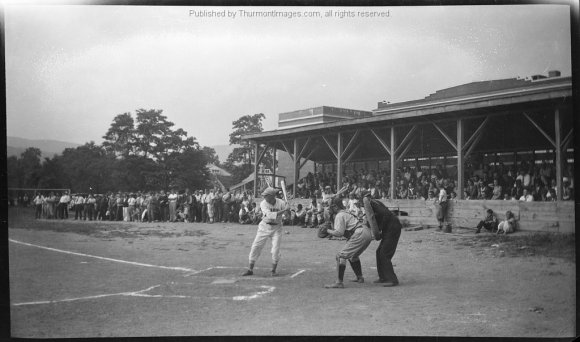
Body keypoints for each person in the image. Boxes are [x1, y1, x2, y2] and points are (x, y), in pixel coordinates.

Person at [323, 197, 372, 289]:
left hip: (359, 233)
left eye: (332, 207)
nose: (330, 209)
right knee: (353, 256)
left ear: (336, 207)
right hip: (365, 232)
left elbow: (339, 233)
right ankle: (360, 277)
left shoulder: (339, 215)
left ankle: (339, 282)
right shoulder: (345, 212)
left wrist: (327, 231)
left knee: (340, 256)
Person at [242, 187, 290, 277]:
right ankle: (250, 269)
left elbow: (287, 216)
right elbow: (270, 215)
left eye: (266, 196)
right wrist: (284, 210)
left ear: (272, 196)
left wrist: (288, 210)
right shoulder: (263, 203)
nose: (264, 197)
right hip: (264, 227)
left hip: (277, 228)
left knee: (275, 249)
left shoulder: (281, 203)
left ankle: (273, 270)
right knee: (256, 246)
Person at [363, 193, 401, 287]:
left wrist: (379, 229)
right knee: (379, 252)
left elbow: (386, 215)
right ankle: (383, 277)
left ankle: (392, 279)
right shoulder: (375, 203)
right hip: (389, 228)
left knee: (384, 253)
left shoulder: (374, 204)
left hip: (392, 228)